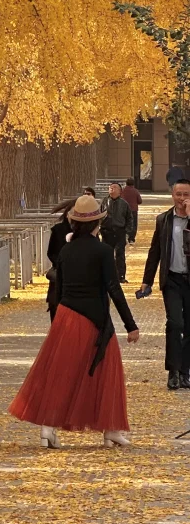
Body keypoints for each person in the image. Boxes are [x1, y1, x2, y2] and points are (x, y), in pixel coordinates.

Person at [10, 194, 140, 447]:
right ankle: (110, 428)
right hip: (94, 319)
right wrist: (130, 324)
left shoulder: (66, 250)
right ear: (97, 224)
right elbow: (114, 289)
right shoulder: (103, 251)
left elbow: (59, 287)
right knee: (107, 369)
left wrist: (59, 316)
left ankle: (48, 427)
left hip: (67, 316)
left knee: (60, 373)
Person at [136, 176, 190, 390]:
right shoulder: (164, 220)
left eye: (187, 194)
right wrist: (146, 281)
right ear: (172, 195)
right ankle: (173, 371)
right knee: (175, 323)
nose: (182, 198)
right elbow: (154, 252)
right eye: (179, 194)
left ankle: (186, 371)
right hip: (173, 280)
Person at [100, 181, 136, 281]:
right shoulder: (104, 202)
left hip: (119, 232)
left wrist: (128, 231)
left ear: (120, 191)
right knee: (107, 255)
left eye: (115, 187)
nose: (112, 189)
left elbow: (130, 218)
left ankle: (121, 276)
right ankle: (107, 276)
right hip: (106, 232)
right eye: (110, 187)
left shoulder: (124, 204)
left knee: (120, 254)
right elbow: (99, 215)